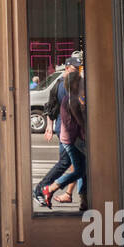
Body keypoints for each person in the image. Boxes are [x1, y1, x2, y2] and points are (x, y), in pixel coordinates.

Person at [47, 69, 87, 207]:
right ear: (76, 84)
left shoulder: (67, 98)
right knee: (79, 170)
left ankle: (83, 198)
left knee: (81, 168)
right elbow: (80, 121)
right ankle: (51, 188)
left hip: (69, 139)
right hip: (73, 140)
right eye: (80, 81)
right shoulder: (72, 100)